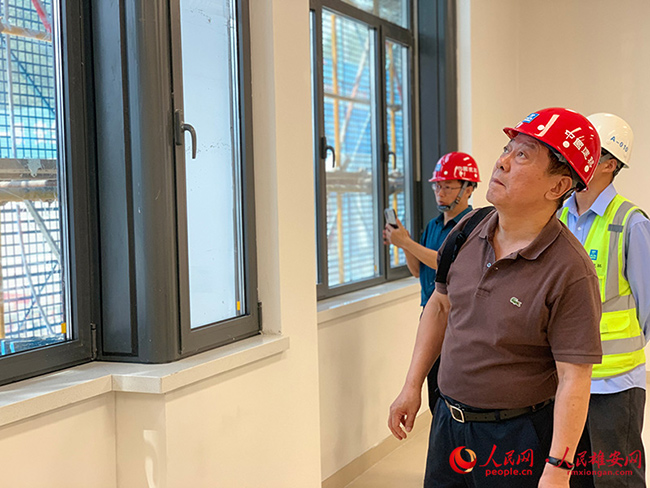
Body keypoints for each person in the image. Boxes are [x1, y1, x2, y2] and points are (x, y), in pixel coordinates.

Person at [387, 107, 604, 488]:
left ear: (557, 187)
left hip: (515, 437)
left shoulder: (570, 270)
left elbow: (574, 378)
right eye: (507, 149)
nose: (501, 162)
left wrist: (558, 468)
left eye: (522, 155)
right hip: (448, 425)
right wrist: (412, 385)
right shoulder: (467, 229)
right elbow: (439, 306)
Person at [560, 113, 649, 488]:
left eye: (588, 153)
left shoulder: (631, 222)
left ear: (611, 164)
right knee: (576, 477)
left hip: (614, 383)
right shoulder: (558, 216)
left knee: (617, 479)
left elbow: (647, 306)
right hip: (565, 378)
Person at [384, 151, 480, 411]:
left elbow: (446, 263)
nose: (440, 192)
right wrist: (403, 244)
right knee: (433, 385)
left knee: (454, 388)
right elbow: (417, 271)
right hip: (429, 314)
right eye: (437, 186)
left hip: (457, 318)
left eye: (448, 186)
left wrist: (407, 242)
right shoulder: (433, 226)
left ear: (468, 189)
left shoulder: (473, 226)